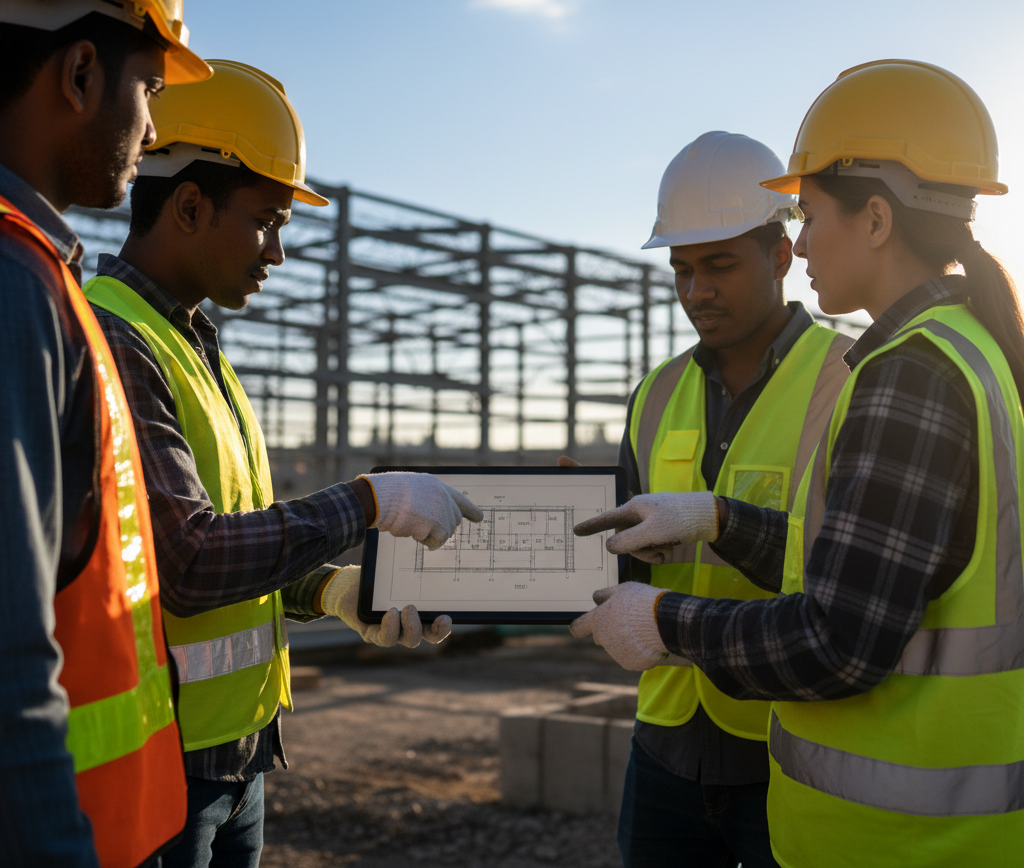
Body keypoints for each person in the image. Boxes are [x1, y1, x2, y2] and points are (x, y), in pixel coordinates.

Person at [570, 60, 1024, 867]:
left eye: (810, 216)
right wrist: (719, 520)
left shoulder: (897, 375)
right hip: (838, 792)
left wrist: (665, 622)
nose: (805, 238)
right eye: (683, 270)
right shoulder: (968, 352)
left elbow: (840, 638)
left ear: (876, 220)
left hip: (898, 832)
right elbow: (873, 566)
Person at [84, 59, 480, 868]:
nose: (279, 251)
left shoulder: (197, 350)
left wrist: (328, 591)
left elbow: (224, 540)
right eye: (267, 221)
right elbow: (190, 562)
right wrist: (367, 502)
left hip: (238, 756)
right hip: (162, 765)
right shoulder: (116, 340)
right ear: (190, 206)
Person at [0, 0, 212, 868]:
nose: (152, 129)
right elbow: (8, 666)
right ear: (80, 74)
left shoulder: (39, 274)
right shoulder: (13, 289)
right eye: (151, 90)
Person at [612, 131, 852, 868]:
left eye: (718, 265)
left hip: (790, 744)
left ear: (781, 255)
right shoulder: (655, 394)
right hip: (664, 742)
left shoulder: (852, 377)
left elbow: (852, 577)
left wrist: (721, 522)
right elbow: (624, 570)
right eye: (682, 270)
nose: (696, 291)